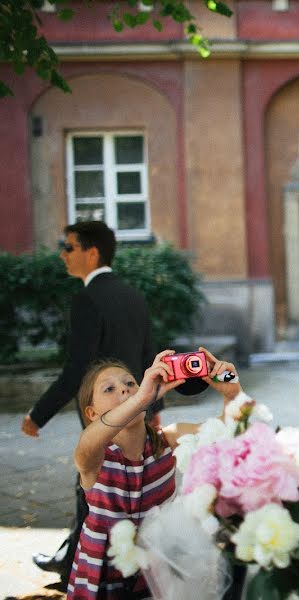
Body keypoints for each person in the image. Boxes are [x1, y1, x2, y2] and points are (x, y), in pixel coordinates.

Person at [23, 220, 159, 581]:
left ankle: (80, 567)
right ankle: (75, 558)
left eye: (68, 247)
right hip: (136, 409)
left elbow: (76, 368)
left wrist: (38, 414)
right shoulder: (132, 293)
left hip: (105, 413)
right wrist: (153, 409)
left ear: (92, 252)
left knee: (94, 485)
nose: (63, 255)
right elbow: (149, 356)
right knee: (116, 485)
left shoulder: (87, 298)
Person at [67, 348, 241, 599]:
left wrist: (231, 389)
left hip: (158, 572)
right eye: (109, 389)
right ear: (92, 414)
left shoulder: (167, 439)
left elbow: (226, 430)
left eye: (130, 384)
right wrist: (140, 399)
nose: (124, 390)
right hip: (103, 576)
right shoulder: (95, 455)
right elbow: (86, 444)